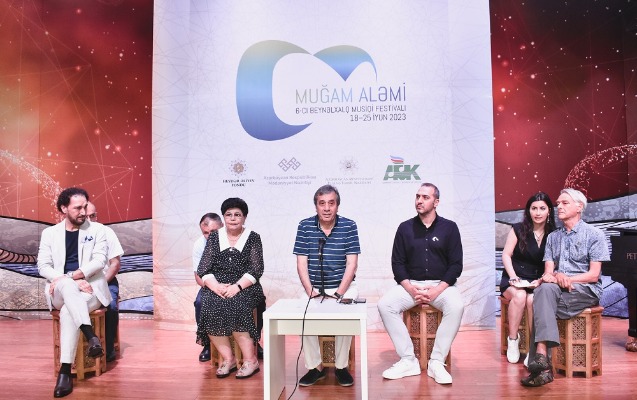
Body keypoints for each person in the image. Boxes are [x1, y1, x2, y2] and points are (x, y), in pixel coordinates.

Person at [521, 188, 611, 387]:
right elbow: (548, 273)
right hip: (557, 290)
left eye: (564, 203)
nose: (559, 207)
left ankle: (542, 366)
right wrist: (554, 276)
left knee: (541, 303)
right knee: (543, 291)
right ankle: (542, 357)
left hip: (585, 289)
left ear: (579, 207)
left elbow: (594, 275)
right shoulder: (553, 237)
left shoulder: (594, 235)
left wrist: (566, 278)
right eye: (558, 203)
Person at [378, 183, 464, 384]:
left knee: (457, 306)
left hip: (441, 286)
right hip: (411, 285)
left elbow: (456, 265)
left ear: (436, 202)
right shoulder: (405, 228)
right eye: (417, 196)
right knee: (385, 305)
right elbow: (397, 263)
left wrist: (437, 289)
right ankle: (408, 360)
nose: (419, 201)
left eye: (425, 197)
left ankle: (437, 362)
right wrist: (410, 288)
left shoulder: (450, 228)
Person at [38, 188, 111, 398]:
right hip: (60, 290)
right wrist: (69, 281)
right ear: (64, 208)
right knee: (67, 287)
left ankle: (64, 373)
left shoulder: (98, 230)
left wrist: (73, 277)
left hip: (90, 289)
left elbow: (99, 261)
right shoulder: (49, 233)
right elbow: (43, 266)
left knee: (68, 312)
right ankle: (91, 336)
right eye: (78, 208)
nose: (83, 212)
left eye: (85, 207)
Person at [293, 184, 360, 387]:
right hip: (314, 288)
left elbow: (352, 264)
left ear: (337, 205)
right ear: (316, 206)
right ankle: (315, 367)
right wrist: (310, 291)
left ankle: (341, 367)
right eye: (322, 203)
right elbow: (301, 263)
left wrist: (339, 293)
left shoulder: (349, 226)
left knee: (346, 315)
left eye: (331, 203)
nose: (327, 208)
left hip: (343, 287)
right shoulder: (305, 226)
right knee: (303, 313)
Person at [196, 198, 265, 379]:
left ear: (244, 217)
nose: (233, 218)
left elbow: (256, 269)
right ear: (224, 217)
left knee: (236, 304)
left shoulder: (253, 237)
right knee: (209, 304)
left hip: (246, 286)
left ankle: (251, 361)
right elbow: (204, 268)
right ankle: (229, 359)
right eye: (228, 215)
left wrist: (237, 287)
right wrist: (216, 287)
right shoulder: (214, 237)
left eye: (237, 215)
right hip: (219, 285)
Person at [500, 192, 556, 365]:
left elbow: (553, 262)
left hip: (538, 280)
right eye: (534, 208)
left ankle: (534, 348)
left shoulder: (554, 233)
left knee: (533, 299)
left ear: (549, 211)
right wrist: (513, 276)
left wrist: (543, 279)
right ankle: (513, 340)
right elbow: (506, 255)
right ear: (528, 210)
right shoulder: (518, 229)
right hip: (514, 277)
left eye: (542, 208)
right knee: (520, 295)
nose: (537, 213)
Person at [87, 202, 124, 363]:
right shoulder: (75, 234)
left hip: (106, 280)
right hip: (82, 283)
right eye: (86, 217)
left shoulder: (107, 232)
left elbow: (115, 264)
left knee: (111, 306)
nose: (90, 220)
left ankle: (108, 349)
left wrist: (99, 284)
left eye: (93, 216)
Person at [192, 212, 224, 362]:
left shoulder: (235, 239)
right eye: (205, 232)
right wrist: (215, 287)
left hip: (234, 284)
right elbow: (198, 276)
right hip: (210, 285)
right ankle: (207, 344)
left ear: (222, 227)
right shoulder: (199, 245)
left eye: (213, 231)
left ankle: (254, 342)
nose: (209, 236)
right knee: (200, 303)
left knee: (258, 300)